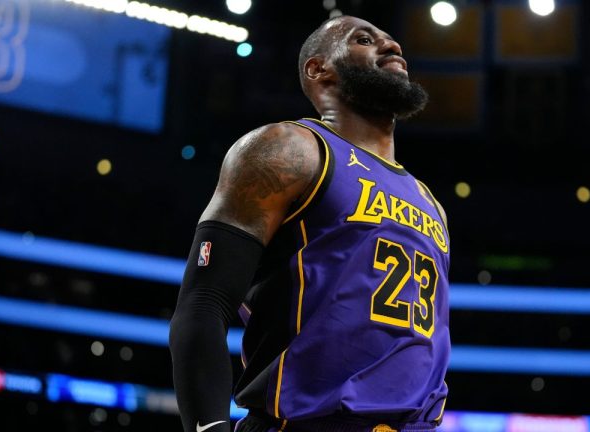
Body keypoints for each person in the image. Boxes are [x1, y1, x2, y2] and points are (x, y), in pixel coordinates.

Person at [169, 15, 451, 432]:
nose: (393, 48)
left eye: (394, 42)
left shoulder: (432, 203)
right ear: (319, 69)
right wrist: (209, 428)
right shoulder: (290, 150)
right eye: (365, 39)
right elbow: (204, 303)